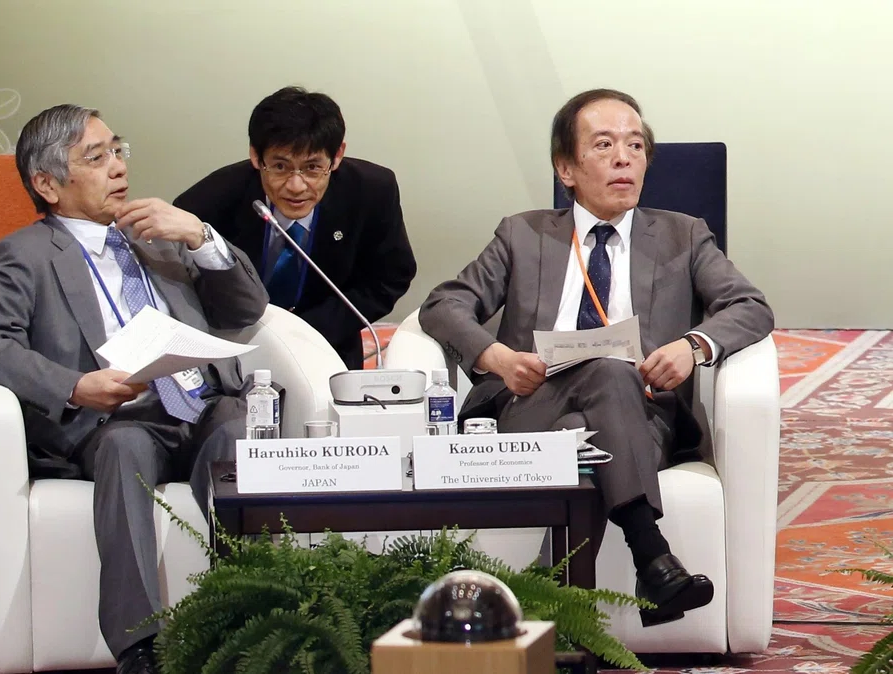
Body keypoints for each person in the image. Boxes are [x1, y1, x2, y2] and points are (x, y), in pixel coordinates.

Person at [418, 89, 774, 627]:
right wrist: (496, 357)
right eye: (603, 144)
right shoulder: (523, 233)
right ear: (566, 167)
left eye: (635, 145)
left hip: (644, 415)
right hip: (531, 406)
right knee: (608, 373)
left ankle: (548, 596)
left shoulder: (684, 234)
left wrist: (691, 346)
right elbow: (445, 303)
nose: (623, 157)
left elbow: (750, 305)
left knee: (601, 397)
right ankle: (652, 559)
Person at [0, 104, 269, 674]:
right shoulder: (24, 255)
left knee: (238, 430)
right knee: (126, 447)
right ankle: (139, 646)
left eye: (119, 150)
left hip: (201, 403)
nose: (118, 168)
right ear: (48, 184)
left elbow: (248, 308)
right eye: (96, 158)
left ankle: (253, 618)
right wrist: (75, 385)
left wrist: (201, 237)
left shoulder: (159, 235)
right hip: (115, 420)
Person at [174, 86, 417, 369]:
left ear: (337, 156)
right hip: (232, 354)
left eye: (313, 168)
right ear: (256, 156)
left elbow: (390, 277)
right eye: (280, 166)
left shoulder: (372, 191)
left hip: (326, 345)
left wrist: (306, 333)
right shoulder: (208, 203)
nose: (296, 186)